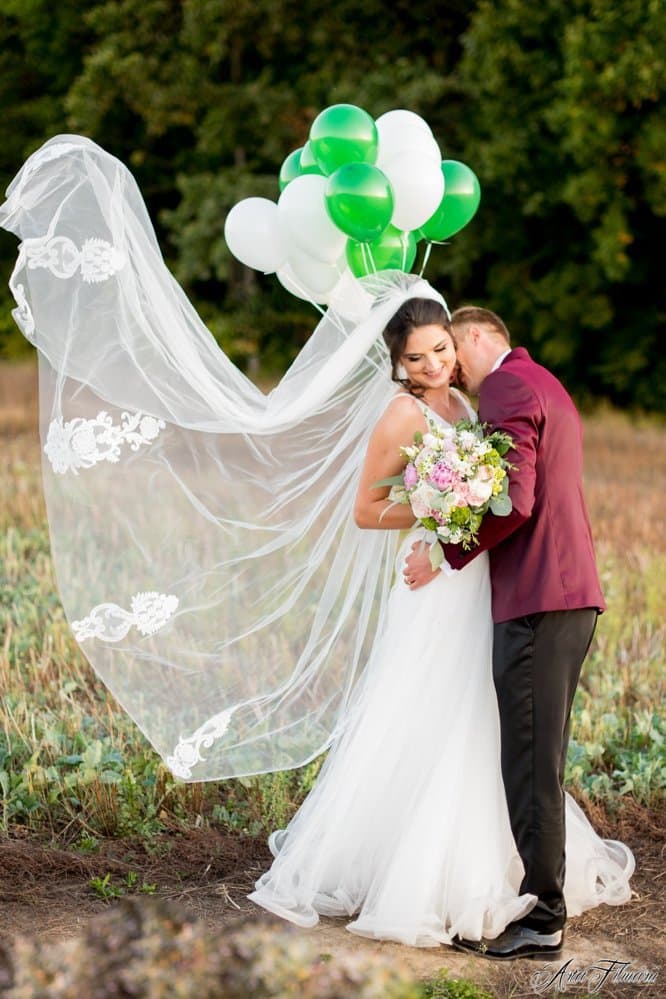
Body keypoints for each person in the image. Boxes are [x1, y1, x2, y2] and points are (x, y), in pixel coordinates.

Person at [248, 297, 633, 948]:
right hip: (440, 577)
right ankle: (423, 870)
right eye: (416, 357)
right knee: (432, 711)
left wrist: (460, 518)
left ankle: (509, 871)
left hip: (484, 576)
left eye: (441, 349)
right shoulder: (404, 413)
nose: (433, 364)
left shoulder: (477, 402)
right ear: (398, 365)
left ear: (462, 344)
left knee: (496, 723)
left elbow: (508, 488)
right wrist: (436, 512)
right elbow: (368, 510)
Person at [403, 306, 609, 959]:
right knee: (535, 758)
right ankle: (541, 901)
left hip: (537, 599)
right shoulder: (541, 381)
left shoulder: (507, 387)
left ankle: (544, 915)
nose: (453, 367)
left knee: (529, 764)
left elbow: (515, 501)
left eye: (455, 351)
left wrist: (445, 549)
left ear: (478, 336)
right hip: (563, 595)